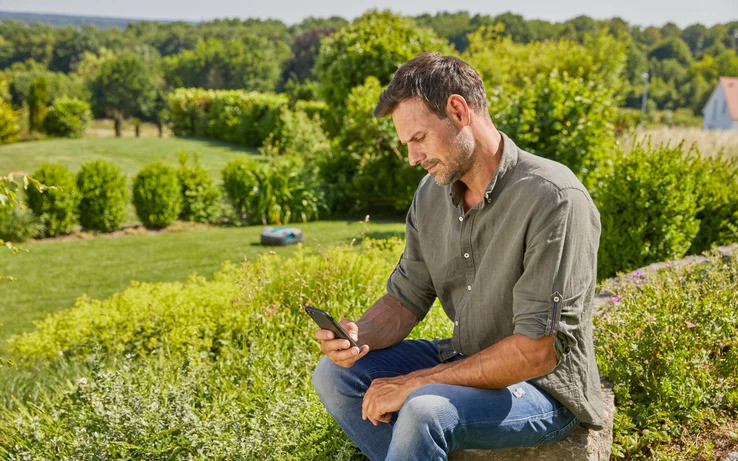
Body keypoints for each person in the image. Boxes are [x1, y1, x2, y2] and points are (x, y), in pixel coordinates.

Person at [311, 52, 606, 461]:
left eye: (419, 139)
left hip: (542, 388)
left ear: (458, 110)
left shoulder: (554, 198)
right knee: (334, 375)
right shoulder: (431, 195)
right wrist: (358, 337)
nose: (413, 158)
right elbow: (404, 299)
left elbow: (537, 352)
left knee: (424, 409)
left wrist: (416, 382)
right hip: (465, 359)